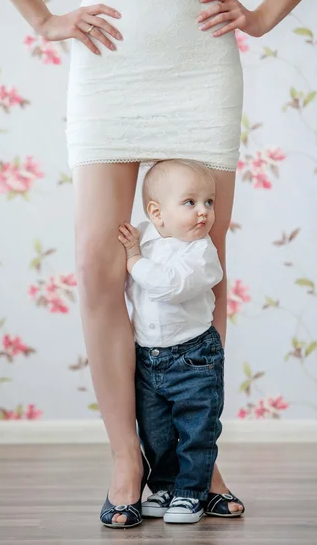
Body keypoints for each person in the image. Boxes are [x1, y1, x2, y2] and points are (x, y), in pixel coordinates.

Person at [0, 0, 317, 530]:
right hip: (109, 60)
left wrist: (266, 13)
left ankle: (195, 467)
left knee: (201, 261)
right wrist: (43, 20)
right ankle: (127, 460)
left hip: (199, 64)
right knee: (99, 264)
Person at [117, 158, 244, 525]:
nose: (204, 212)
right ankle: (165, 486)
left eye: (209, 202)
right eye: (190, 202)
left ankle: (191, 492)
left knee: (196, 430)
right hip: (148, 356)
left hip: (194, 358)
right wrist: (133, 251)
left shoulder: (202, 254)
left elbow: (169, 286)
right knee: (155, 431)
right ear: (157, 213)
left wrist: (134, 259)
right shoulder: (146, 238)